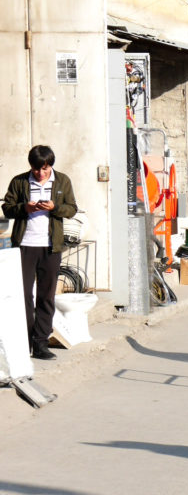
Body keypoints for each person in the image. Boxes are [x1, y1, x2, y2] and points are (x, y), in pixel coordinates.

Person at [2, 145, 79, 360]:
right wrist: (24, 208)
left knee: (46, 296)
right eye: (36, 169)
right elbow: (7, 207)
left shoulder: (62, 180)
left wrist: (54, 207)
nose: (40, 173)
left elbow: (72, 208)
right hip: (24, 245)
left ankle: (41, 343)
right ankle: (24, 341)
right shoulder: (20, 181)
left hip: (50, 246)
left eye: (44, 169)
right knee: (23, 295)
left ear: (50, 166)